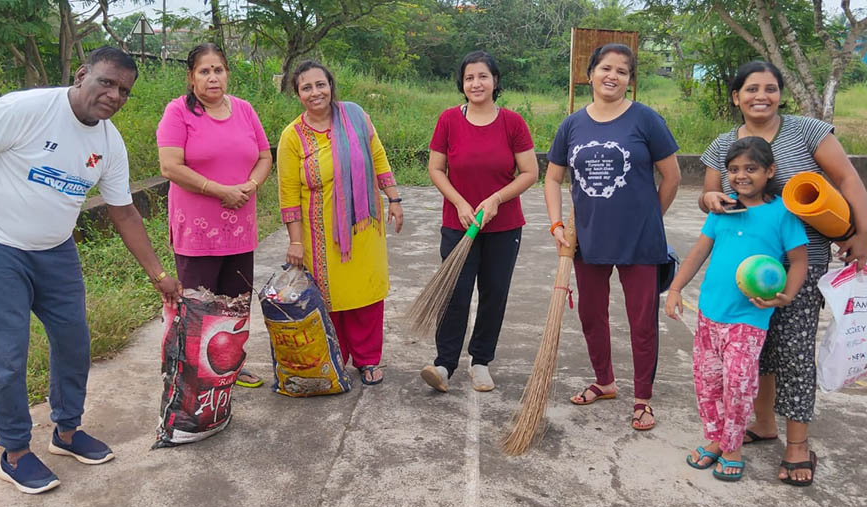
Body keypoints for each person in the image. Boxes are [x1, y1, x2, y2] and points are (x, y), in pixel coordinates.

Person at [0, 47, 182, 494]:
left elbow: (123, 212)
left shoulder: (109, 144)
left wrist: (158, 274)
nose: (113, 95)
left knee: (73, 342)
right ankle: (14, 453)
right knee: (6, 357)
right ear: (83, 74)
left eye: (123, 91)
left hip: (55, 251)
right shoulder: (26, 108)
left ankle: (66, 432)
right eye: (106, 82)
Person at [699, 61, 867, 486]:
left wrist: (863, 232)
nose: (761, 96)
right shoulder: (724, 143)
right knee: (750, 352)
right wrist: (710, 198)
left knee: (793, 352)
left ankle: (797, 445)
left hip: (802, 259)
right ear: (736, 96)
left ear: (780, 93)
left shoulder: (809, 132)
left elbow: (847, 178)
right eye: (751, 89)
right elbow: (706, 196)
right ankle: (764, 425)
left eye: (770, 88)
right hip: (741, 269)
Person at [544, 43, 681, 430]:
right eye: (605, 68)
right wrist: (557, 225)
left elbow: (671, 177)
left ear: (630, 80)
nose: (612, 76)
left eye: (622, 71)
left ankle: (642, 398)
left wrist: (650, 216)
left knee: (641, 321)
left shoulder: (646, 120)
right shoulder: (572, 125)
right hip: (588, 239)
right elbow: (552, 178)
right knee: (591, 314)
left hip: (641, 241)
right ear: (590, 74)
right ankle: (604, 381)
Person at [666, 137, 808, 482]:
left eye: (750, 168)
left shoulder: (782, 213)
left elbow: (800, 261)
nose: (741, 176)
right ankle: (715, 438)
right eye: (733, 170)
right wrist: (674, 288)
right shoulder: (722, 210)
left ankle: (732, 448)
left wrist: (787, 295)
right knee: (708, 383)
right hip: (709, 315)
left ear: (769, 171)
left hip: (748, 319)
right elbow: (700, 252)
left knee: (739, 385)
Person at [276, 60, 403, 386]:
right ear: (298, 94)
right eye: (307, 87)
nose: (315, 92)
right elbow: (288, 193)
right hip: (319, 233)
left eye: (321, 84)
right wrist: (295, 241)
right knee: (330, 300)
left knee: (366, 293)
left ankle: (368, 358)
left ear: (331, 86)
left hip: (364, 226)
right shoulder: (293, 136)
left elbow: (377, 156)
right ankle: (336, 357)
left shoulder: (356, 117)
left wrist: (394, 198)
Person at [419, 50, 538, 393]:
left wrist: (497, 198)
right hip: (459, 223)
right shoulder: (448, 120)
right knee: (454, 293)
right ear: (462, 83)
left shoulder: (512, 122)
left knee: (494, 293)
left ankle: (481, 361)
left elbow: (530, 172)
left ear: (495, 81)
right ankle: (444, 365)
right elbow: (436, 168)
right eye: (469, 77)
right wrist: (458, 202)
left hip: (503, 226)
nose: (476, 83)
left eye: (483, 76)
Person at [157, 43, 271, 389]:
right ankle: (191, 373)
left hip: (240, 228)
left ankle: (230, 364)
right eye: (204, 71)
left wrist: (250, 185)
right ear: (191, 77)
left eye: (218, 70)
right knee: (197, 304)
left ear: (227, 74)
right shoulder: (178, 112)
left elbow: (265, 156)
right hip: (197, 232)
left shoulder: (245, 110)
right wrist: (220, 190)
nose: (212, 77)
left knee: (235, 302)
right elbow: (170, 165)